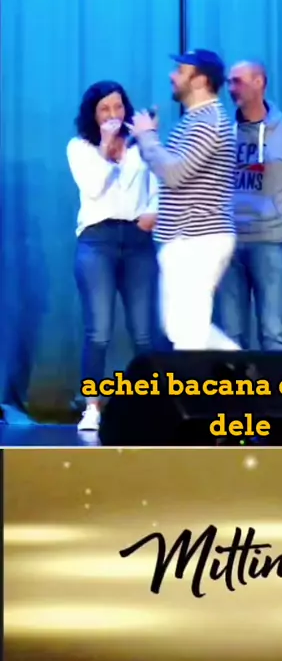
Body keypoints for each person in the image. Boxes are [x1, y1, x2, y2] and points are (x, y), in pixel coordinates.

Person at [128, 50, 239, 351]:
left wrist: (147, 136)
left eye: (180, 71)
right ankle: (245, 369)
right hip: (185, 238)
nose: (172, 76)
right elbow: (172, 170)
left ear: (200, 80)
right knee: (179, 327)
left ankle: (239, 373)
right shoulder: (195, 120)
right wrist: (146, 139)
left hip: (198, 237)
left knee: (188, 333)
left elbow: (174, 173)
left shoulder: (208, 122)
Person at [67, 80, 159, 432]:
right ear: (93, 114)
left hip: (137, 239)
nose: (113, 115)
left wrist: (153, 211)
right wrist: (106, 147)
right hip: (97, 240)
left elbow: (158, 184)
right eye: (104, 109)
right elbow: (93, 187)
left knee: (143, 332)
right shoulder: (80, 147)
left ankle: (152, 407)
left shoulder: (140, 143)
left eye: (118, 107)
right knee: (99, 331)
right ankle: (92, 406)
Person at [217, 60, 282, 350]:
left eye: (238, 81)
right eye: (229, 82)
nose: (231, 88)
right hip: (228, 244)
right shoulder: (222, 133)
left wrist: (277, 223)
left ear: (259, 82)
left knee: (273, 331)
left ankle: (278, 382)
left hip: (268, 244)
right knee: (231, 335)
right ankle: (237, 381)